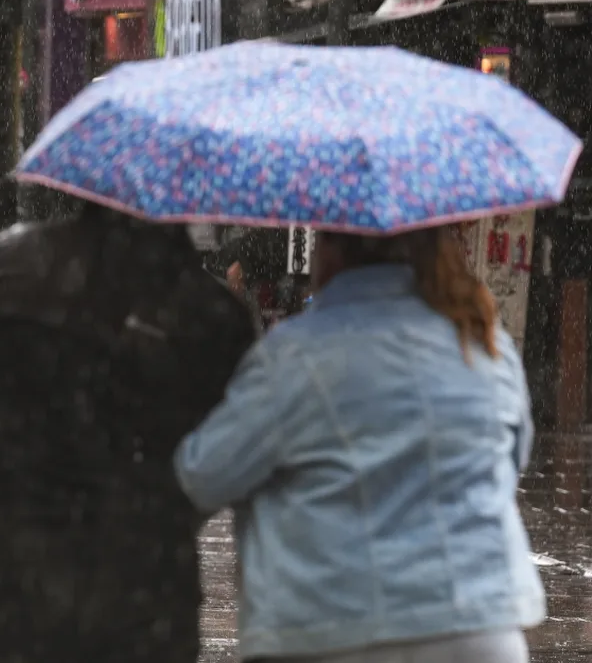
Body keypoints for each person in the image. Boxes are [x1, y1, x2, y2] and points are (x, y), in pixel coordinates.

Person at [175, 227, 545, 663]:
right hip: (480, 624)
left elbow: (204, 474)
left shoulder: (294, 357)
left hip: (332, 627)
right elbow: (509, 457)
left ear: (330, 254)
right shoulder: (486, 345)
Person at [0, 203, 258, 663]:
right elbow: (224, 458)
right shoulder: (211, 313)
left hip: (8, 589)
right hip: (145, 601)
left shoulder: (8, 264)